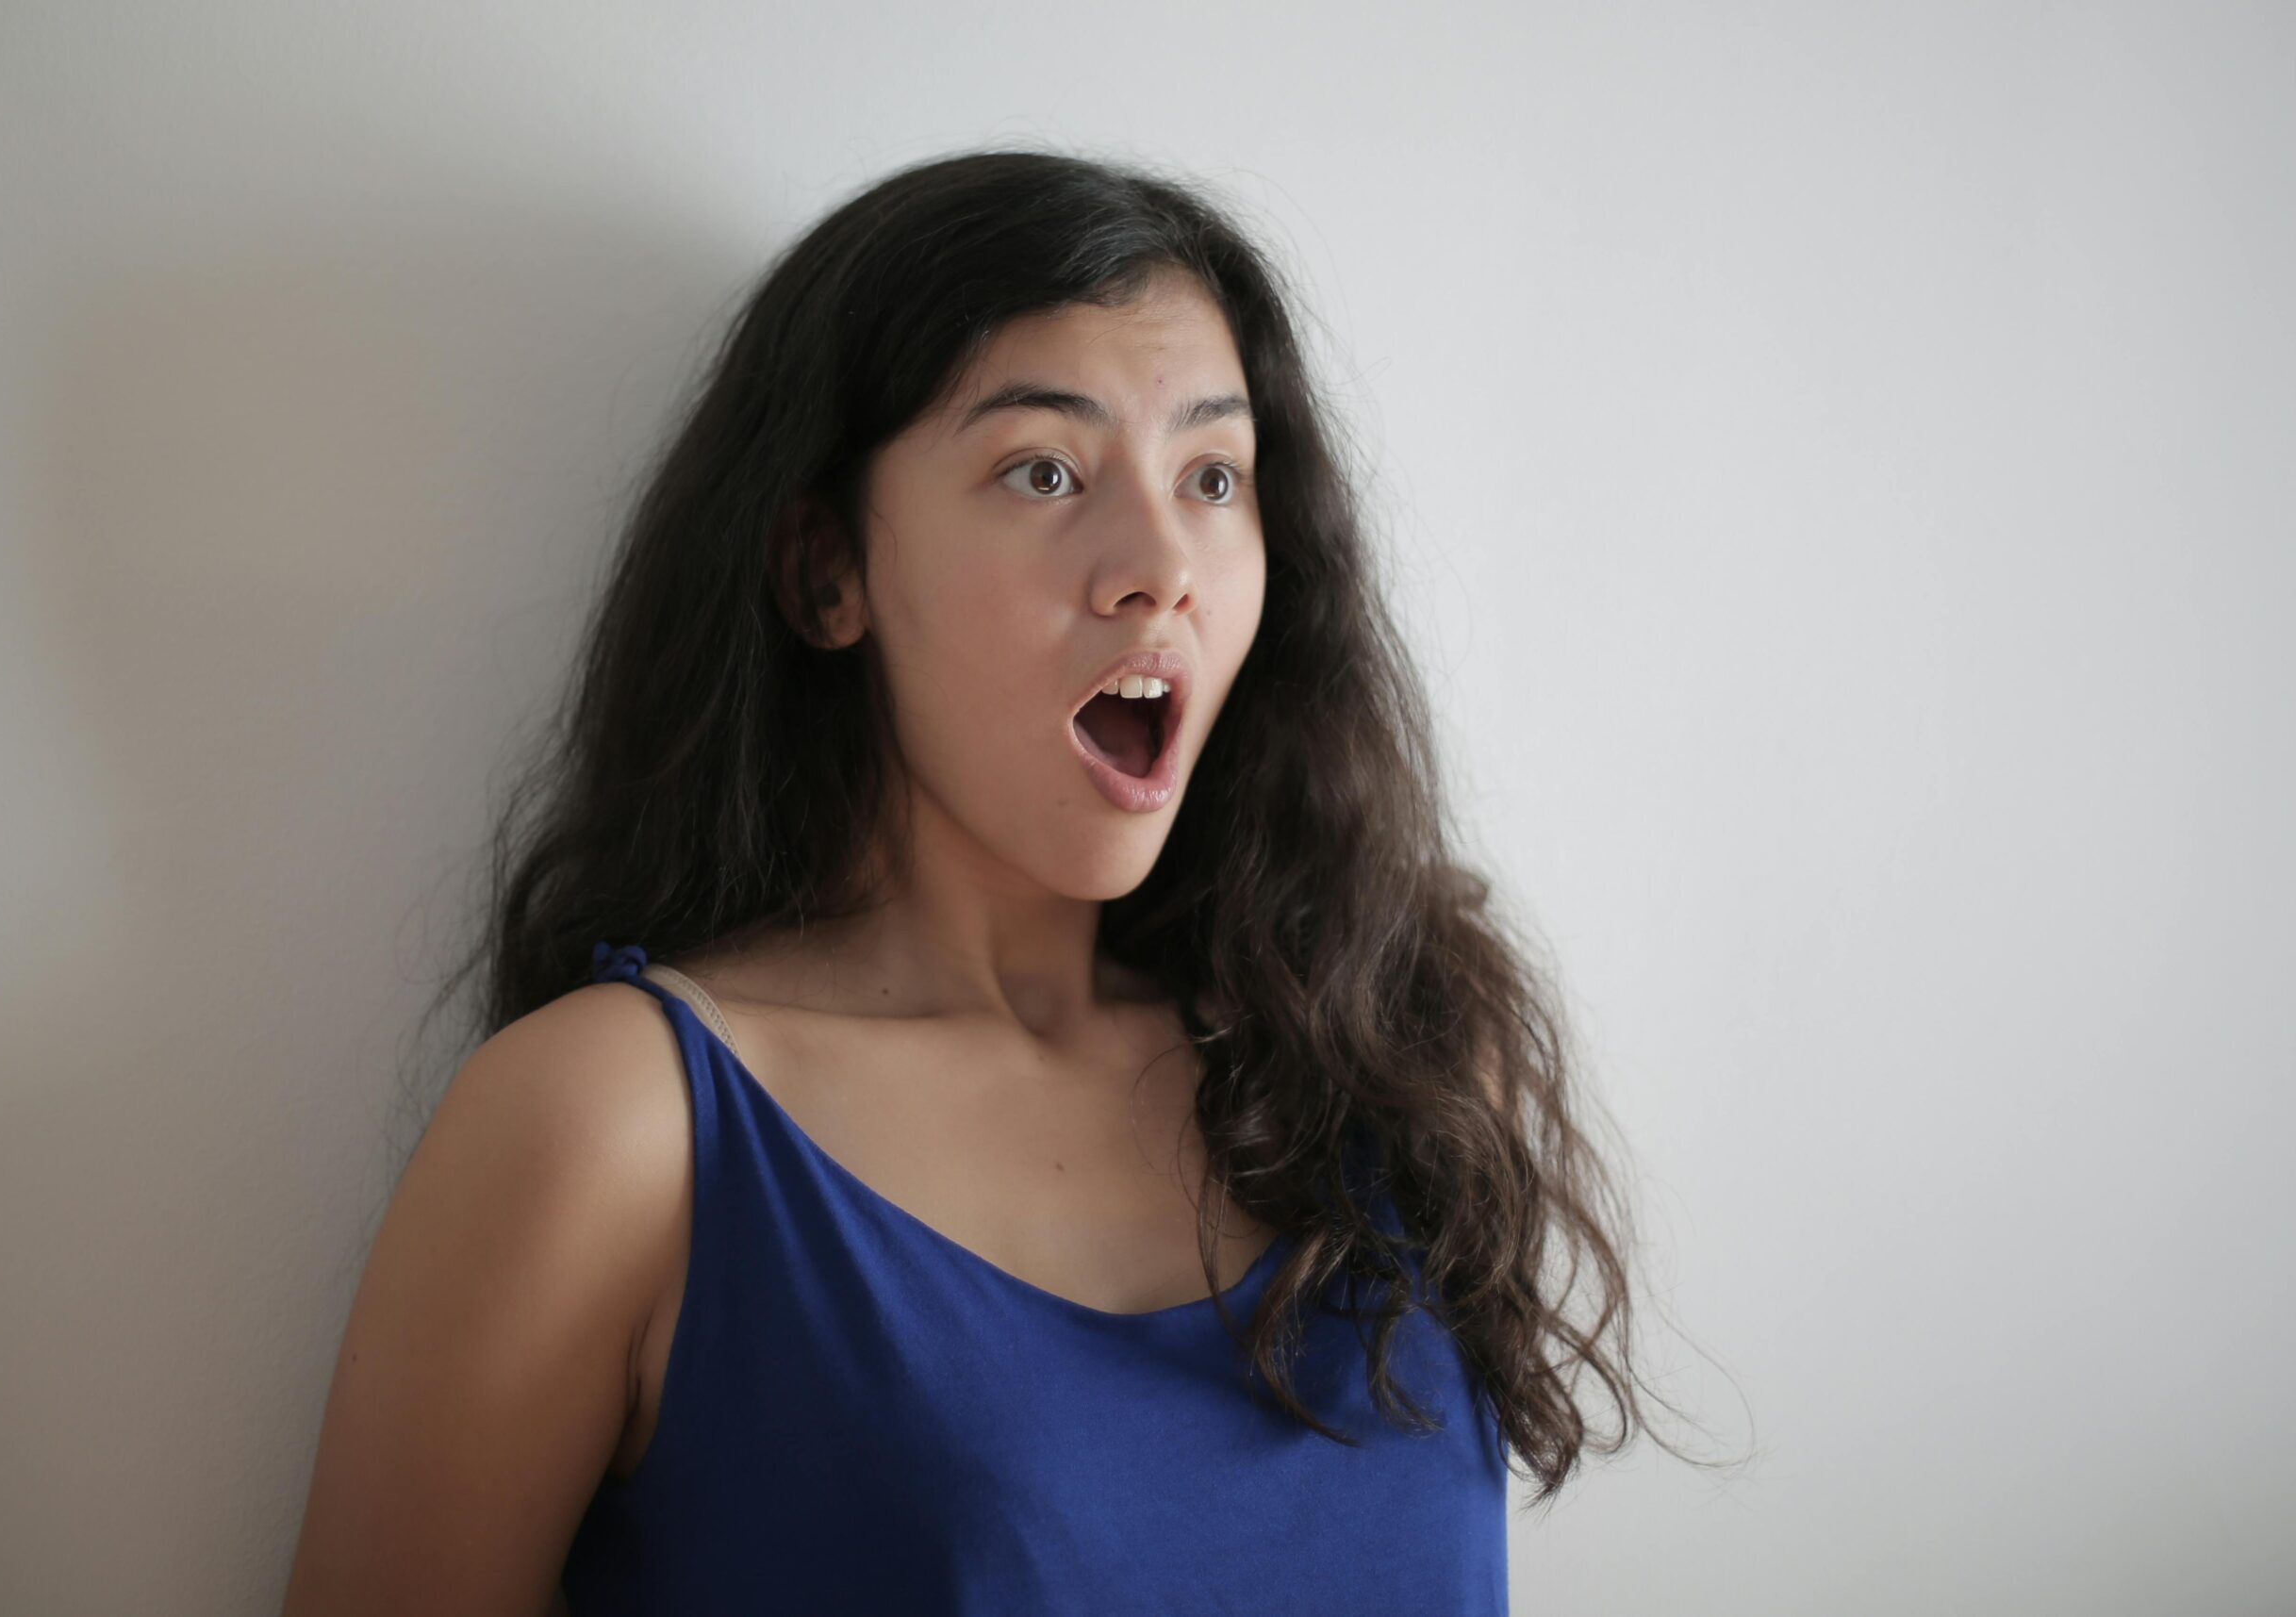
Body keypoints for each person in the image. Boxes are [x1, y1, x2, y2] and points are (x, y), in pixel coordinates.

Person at [283, 146, 1694, 1617]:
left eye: (1214, 475)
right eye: (1044, 471)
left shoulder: (1396, 1059)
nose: (1162, 565)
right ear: (827, 572)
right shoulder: (616, 1130)